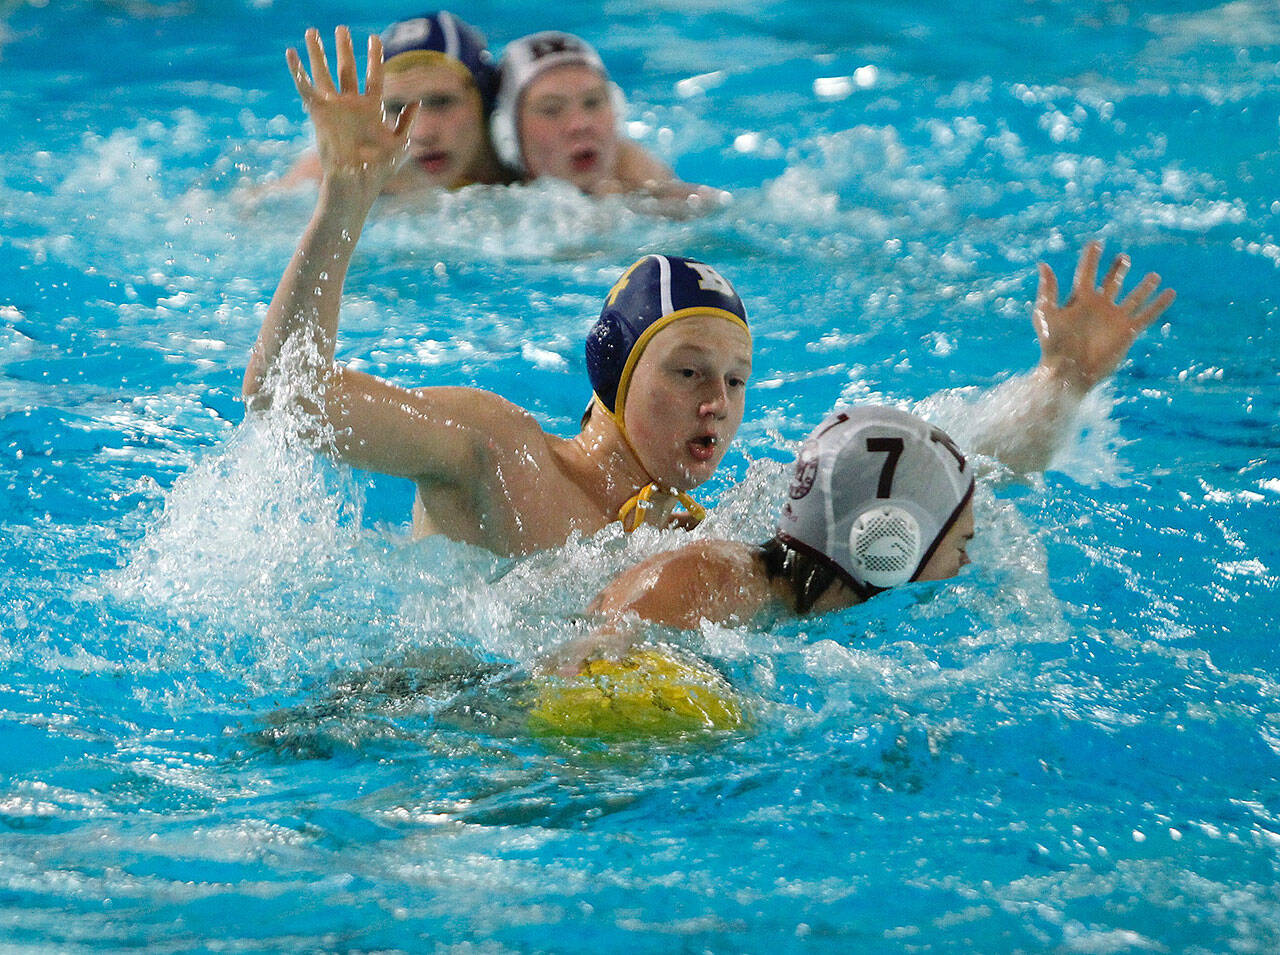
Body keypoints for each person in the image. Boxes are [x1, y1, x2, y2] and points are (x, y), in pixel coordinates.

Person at [244, 26, 1174, 559]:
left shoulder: (708, 528)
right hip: (402, 726)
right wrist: (342, 209)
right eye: (688, 371)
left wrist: (1061, 384)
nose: (716, 404)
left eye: (734, 381)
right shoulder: (496, 451)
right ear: (612, 372)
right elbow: (284, 400)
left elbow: (956, 460)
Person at [538, 405, 976, 677]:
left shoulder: (780, 602)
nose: (967, 564)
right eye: (959, 545)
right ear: (889, 541)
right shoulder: (719, 578)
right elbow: (585, 662)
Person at [278, 12, 509, 194]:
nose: (421, 133)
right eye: (396, 108)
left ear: (486, 100)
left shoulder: (534, 168)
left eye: (440, 102)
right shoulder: (358, 174)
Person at [490, 30, 725, 206]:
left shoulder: (662, 196)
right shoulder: (486, 213)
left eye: (592, 102)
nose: (580, 124)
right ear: (508, 135)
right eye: (551, 109)